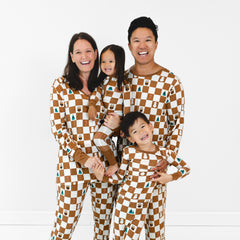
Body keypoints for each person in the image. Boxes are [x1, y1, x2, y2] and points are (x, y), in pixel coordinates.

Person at [104, 16, 185, 240]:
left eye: (148, 40)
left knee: (153, 226)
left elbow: (177, 124)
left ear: (156, 43)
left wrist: (167, 158)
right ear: (129, 45)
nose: (142, 46)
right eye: (136, 40)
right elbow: (111, 120)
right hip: (125, 168)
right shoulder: (122, 79)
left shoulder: (170, 81)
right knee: (123, 228)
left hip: (154, 166)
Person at [49, 32, 117, 240]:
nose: (84, 56)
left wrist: (116, 125)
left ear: (96, 54)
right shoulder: (60, 85)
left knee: (104, 228)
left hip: (104, 166)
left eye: (88, 51)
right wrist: (84, 159)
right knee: (64, 225)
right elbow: (58, 129)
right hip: (73, 167)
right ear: (71, 56)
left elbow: (115, 125)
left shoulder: (106, 85)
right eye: (78, 52)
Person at [93, 111, 190, 240]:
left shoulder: (164, 153)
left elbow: (186, 169)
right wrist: (101, 177)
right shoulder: (129, 152)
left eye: (142, 127)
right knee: (118, 237)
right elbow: (120, 177)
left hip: (140, 208)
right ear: (131, 139)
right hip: (123, 204)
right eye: (134, 132)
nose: (141, 132)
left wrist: (170, 177)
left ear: (150, 127)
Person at [88, 44, 126, 176]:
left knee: (98, 139)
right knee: (100, 139)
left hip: (119, 122)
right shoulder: (102, 82)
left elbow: (130, 105)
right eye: (103, 61)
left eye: (110, 61)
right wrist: (92, 105)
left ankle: (113, 163)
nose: (106, 64)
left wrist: (122, 123)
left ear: (119, 62)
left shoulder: (125, 83)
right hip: (106, 121)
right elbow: (96, 94)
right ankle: (113, 160)